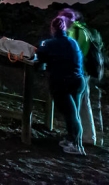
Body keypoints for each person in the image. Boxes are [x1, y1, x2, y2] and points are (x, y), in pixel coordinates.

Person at [36, 16, 86, 155]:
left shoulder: (48, 43)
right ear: (65, 28)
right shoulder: (73, 42)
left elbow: (40, 56)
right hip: (78, 81)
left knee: (71, 114)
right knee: (73, 113)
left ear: (52, 29)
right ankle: (71, 139)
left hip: (62, 82)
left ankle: (77, 146)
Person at [57, 8, 102, 146]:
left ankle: (85, 137)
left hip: (79, 72)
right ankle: (86, 136)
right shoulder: (80, 30)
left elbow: (75, 53)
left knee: (80, 104)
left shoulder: (77, 31)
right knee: (82, 103)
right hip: (81, 72)